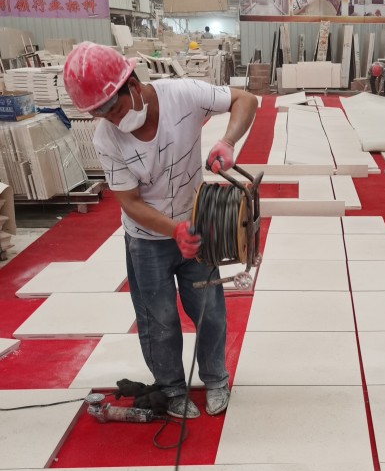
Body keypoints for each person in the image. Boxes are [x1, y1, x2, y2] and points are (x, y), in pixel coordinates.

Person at [63, 42, 258, 419]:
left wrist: (227, 141)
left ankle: (216, 378)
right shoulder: (106, 138)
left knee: (210, 311)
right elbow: (130, 202)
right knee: (159, 320)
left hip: (196, 226)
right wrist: (174, 230)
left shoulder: (183, 95)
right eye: (102, 115)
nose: (114, 121)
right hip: (147, 241)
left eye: (115, 109)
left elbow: (245, 100)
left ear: (133, 85)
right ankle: (171, 389)